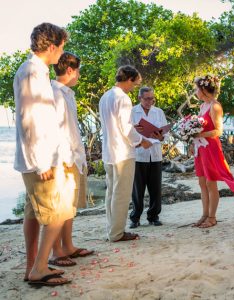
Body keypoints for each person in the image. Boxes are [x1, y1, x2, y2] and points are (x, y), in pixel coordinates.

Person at [13, 23, 70, 286]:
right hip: (40, 159)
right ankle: (38, 269)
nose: (62, 52)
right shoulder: (31, 72)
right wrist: (41, 162)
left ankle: (33, 267)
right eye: (61, 47)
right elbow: (29, 120)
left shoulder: (38, 72)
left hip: (43, 156)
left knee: (33, 214)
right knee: (58, 212)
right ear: (51, 46)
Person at [48, 52, 94, 267]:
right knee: (59, 207)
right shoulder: (55, 93)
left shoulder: (67, 93)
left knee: (69, 207)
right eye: (78, 71)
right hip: (64, 157)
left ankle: (68, 245)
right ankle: (56, 251)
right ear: (70, 70)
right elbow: (56, 130)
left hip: (74, 156)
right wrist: (64, 159)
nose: (79, 75)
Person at [99, 65, 152, 242]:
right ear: (129, 79)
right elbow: (126, 128)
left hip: (108, 151)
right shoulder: (123, 98)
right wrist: (141, 141)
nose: (133, 87)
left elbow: (111, 124)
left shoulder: (105, 96)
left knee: (111, 193)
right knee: (121, 194)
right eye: (134, 84)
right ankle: (117, 233)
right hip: (122, 152)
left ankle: (111, 228)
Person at [191, 75, 234, 228]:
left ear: (203, 90)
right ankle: (204, 214)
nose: (196, 92)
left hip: (211, 148)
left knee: (210, 182)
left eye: (197, 89)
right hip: (200, 148)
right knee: (202, 182)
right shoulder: (202, 106)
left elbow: (218, 131)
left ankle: (212, 217)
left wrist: (200, 134)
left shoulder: (215, 106)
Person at [129, 87, 168, 228]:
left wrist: (161, 136)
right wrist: (136, 134)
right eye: (147, 98)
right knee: (137, 189)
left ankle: (153, 216)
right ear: (140, 98)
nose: (150, 101)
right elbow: (127, 131)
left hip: (155, 154)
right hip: (139, 155)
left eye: (152, 98)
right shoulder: (132, 111)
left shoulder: (159, 112)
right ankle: (135, 218)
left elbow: (165, 133)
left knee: (156, 188)